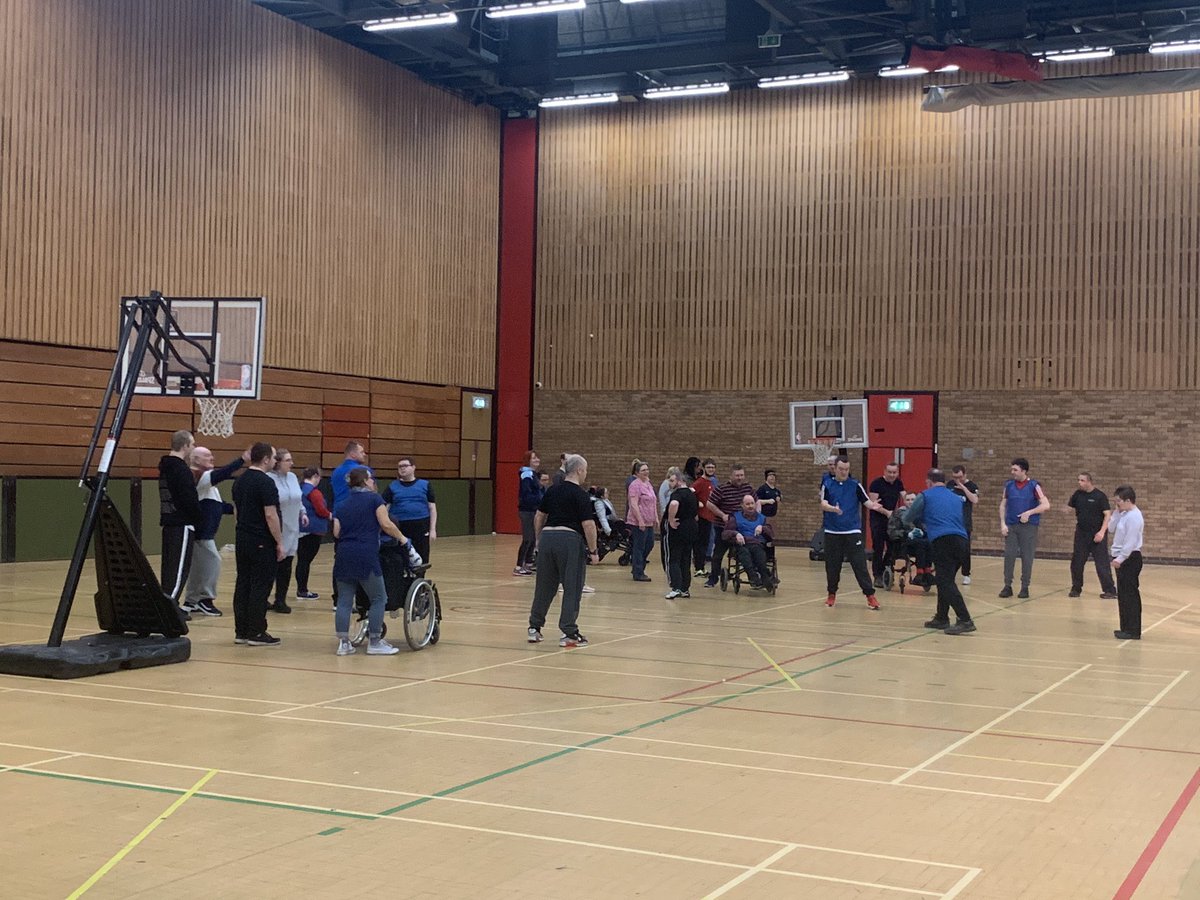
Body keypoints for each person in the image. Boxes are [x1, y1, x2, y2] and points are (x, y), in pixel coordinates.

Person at [332, 467, 412, 656]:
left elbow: (336, 532)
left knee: (344, 599)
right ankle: (375, 641)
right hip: (365, 554)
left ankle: (344, 644)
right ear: (366, 481)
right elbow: (386, 524)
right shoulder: (375, 499)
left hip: (344, 554)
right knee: (378, 598)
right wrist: (403, 539)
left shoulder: (341, 504)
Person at [527, 453, 598, 648]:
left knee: (544, 586)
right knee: (572, 587)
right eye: (585, 470)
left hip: (548, 538)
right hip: (569, 540)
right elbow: (589, 525)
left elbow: (539, 516)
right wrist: (593, 550)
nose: (585, 474)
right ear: (579, 470)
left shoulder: (552, 490)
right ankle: (569, 633)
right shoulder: (581, 494)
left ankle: (534, 628)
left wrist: (539, 539)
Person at [903, 470, 975, 634]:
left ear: (928, 482)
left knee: (944, 581)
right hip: (962, 541)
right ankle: (942, 617)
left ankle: (965, 619)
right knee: (946, 578)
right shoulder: (955, 497)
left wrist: (915, 519)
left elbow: (907, 517)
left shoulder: (925, 496)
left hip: (944, 541)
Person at [181, 445, 247, 617]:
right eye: (207, 456)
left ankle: (191, 601)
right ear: (195, 460)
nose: (212, 458)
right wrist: (241, 460)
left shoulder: (208, 484)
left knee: (198, 568)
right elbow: (222, 474)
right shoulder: (198, 476)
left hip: (203, 534)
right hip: (202, 534)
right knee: (213, 561)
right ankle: (205, 599)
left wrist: (234, 508)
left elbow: (215, 506)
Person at [231, 442, 285, 646]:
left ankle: (241, 630)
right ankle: (256, 631)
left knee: (243, 583)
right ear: (265, 460)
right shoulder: (265, 482)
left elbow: (237, 511)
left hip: (243, 538)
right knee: (260, 586)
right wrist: (279, 542)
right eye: (273, 457)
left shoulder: (240, 481)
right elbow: (270, 515)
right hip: (261, 540)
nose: (274, 461)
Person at [820, 457, 885, 609]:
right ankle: (831, 594)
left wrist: (873, 506)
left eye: (846, 469)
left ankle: (870, 596)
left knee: (859, 564)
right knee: (832, 566)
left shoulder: (855, 485)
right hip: (832, 531)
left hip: (852, 531)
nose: (844, 472)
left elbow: (866, 501)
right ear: (835, 468)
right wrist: (832, 509)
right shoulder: (827, 484)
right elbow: (823, 503)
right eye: (841, 469)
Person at [158, 429, 202, 616]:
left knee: (169, 566)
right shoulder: (181, 470)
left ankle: (166, 603)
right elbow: (188, 499)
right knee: (178, 569)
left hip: (169, 521)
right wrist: (198, 517)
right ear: (185, 446)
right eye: (192, 445)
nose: (193, 448)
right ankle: (170, 609)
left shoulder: (165, 467)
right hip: (181, 522)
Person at [998, 457, 1051, 599]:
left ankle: (1024, 587)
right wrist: (1003, 523)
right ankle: (1007, 585)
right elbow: (1003, 505)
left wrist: (1030, 512)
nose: (1012, 472)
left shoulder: (1034, 486)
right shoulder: (1008, 485)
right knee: (1009, 556)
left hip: (1028, 527)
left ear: (1024, 471)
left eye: (1015, 469)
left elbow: (1046, 505)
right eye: (1012, 469)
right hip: (1012, 525)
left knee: (1027, 557)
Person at [702, 464, 756, 588]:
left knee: (748, 552)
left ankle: (754, 576)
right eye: (737, 475)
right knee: (718, 554)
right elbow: (709, 504)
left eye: (741, 475)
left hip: (742, 529)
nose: (739, 478)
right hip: (724, 527)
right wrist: (722, 515)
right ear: (731, 476)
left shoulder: (748, 488)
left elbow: (756, 502)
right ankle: (713, 579)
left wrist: (755, 516)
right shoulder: (722, 489)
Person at [1067, 472, 1118, 599]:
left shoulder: (1099, 496)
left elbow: (1107, 514)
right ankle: (1076, 588)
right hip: (1081, 533)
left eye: (1082, 480)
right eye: (1078, 480)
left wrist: (1101, 532)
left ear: (1089, 481)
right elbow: (1069, 507)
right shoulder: (1077, 495)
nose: (1079, 482)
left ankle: (1110, 590)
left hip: (1097, 534)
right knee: (1077, 562)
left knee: (1102, 563)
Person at [268, 448, 306, 614]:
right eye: (288, 460)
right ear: (278, 462)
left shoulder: (292, 478)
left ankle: (280, 599)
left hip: (292, 526)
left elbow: (298, 498)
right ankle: (263, 598)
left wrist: (303, 512)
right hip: (277, 526)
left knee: (287, 565)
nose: (292, 463)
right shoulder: (269, 479)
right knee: (272, 565)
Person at [383, 456, 437, 565]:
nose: (402, 469)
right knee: (401, 554)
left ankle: (419, 579)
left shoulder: (425, 485)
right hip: (401, 526)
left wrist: (432, 529)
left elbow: (432, 508)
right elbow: (384, 508)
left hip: (421, 525)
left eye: (405, 466)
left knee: (422, 555)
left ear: (413, 467)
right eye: (400, 466)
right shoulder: (392, 487)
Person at [1108, 486, 1144, 640]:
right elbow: (1110, 529)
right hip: (1121, 557)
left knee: (1130, 595)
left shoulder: (1134, 517)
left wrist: (1120, 559)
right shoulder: (1123, 514)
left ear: (1128, 501)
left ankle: (1133, 630)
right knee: (1122, 595)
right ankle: (1125, 627)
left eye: (1119, 502)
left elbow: (1130, 542)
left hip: (1130, 559)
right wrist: (1116, 513)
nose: (1117, 504)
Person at [723, 493, 776, 589]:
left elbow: (771, 533)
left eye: (752, 503)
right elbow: (725, 533)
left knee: (758, 554)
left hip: (757, 544)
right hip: (741, 545)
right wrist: (736, 533)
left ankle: (764, 576)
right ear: (742, 505)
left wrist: (762, 527)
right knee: (745, 553)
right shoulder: (735, 517)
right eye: (747, 504)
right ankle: (753, 577)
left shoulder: (762, 518)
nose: (750, 506)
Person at [296, 466, 332, 600]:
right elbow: (321, 510)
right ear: (316, 476)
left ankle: (301, 589)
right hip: (313, 529)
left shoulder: (299, 489)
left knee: (302, 560)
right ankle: (302, 590)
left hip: (301, 529)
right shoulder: (314, 492)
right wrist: (330, 515)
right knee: (305, 561)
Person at [868, 463, 905, 588]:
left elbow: (905, 497)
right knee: (878, 548)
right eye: (890, 472)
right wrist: (887, 512)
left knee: (893, 546)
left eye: (894, 472)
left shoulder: (898, 483)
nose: (892, 475)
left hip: (891, 520)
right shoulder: (876, 484)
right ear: (885, 471)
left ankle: (886, 570)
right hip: (878, 519)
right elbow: (873, 503)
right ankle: (877, 575)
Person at [663, 467, 698, 599]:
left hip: (678, 529)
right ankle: (685, 588)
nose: (670, 484)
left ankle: (676, 587)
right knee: (686, 559)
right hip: (691, 528)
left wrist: (671, 520)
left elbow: (673, 504)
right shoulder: (691, 494)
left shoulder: (677, 494)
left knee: (674, 559)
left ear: (678, 481)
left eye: (672, 481)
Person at [626, 461, 657, 582]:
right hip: (638, 521)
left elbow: (653, 501)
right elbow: (633, 504)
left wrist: (656, 517)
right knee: (639, 546)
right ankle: (638, 572)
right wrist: (640, 520)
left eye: (647, 469)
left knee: (649, 544)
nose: (646, 472)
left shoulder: (648, 484)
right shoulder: (634, 485)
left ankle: (638, 567)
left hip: (649, 521)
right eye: (643, 470)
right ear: (637, 473)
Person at [947, 465, 979, 584]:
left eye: (960, 477)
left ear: (965, 475)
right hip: (951, 523)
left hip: (964, 523)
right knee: (950, 549)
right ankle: (950, 573)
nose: (957, 480)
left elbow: (975, 500)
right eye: (955, 477)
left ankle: (966, 574)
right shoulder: (950, 485)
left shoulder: (972, 486)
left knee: (964, 550)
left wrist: (963, 488)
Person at [515, 450, 542, 575]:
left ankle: (528, 563)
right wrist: (537, 500)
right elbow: (526, 493)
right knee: (527, 538)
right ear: (528, 461)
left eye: (537, 458)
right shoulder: (527, 474)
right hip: (526, 510)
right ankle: (519, 566)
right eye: (534, 458)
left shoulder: (533, 474)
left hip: (533, 509)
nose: (537, 460)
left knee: (532, 538)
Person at [689, 457, 717, 578]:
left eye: (712, 467)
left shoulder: (711, 482)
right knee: (700, 543)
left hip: (709, 516)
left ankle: (701, 567)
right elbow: (690, 494)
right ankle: (698, 568)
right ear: (704, 468)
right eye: (708, 467)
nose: (710, 469)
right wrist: (696, 507)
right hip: (701, 517)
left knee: (705, 543)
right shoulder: (700, 482)